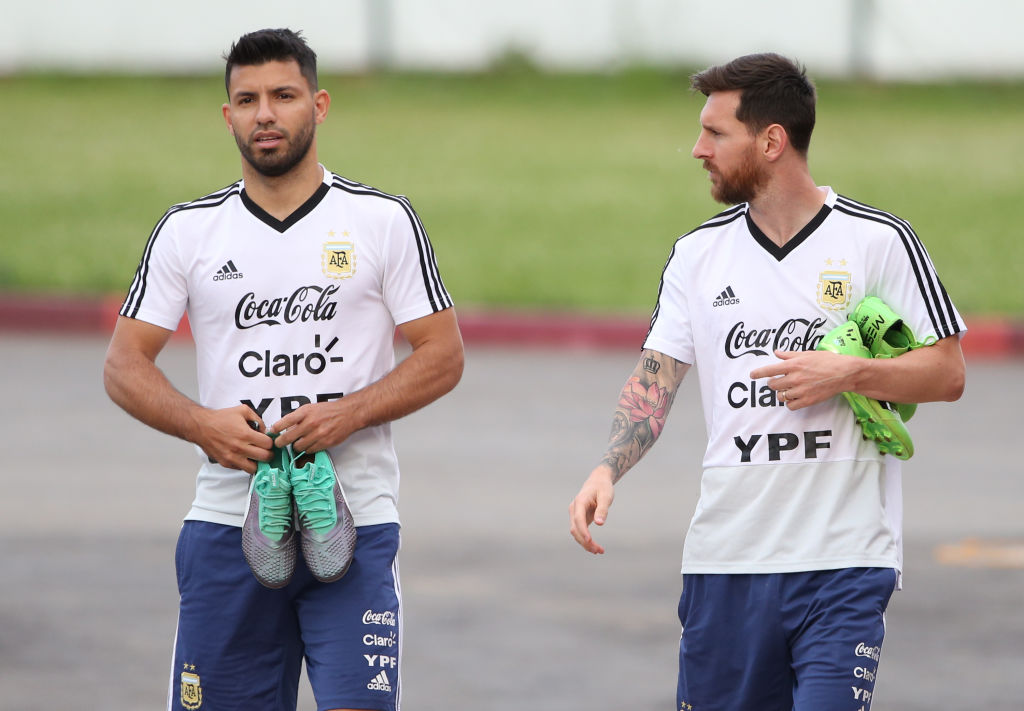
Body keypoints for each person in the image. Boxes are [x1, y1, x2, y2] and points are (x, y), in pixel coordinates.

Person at [568, 53, 966, 711]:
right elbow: (656, 377)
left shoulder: (879, 242)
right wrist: (607, 468)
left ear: (772, 140)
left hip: (844, 561)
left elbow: (948, 372)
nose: (698, 149)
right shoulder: (697, 256)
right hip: (727, 562)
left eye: (716, 133)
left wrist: (852, 372)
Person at [104, 28, 463, 711]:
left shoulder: (381, 220)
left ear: (319, 105)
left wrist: (348, 412)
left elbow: (443, 353)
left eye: (283, 95)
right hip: (226, 522)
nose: (265, 113)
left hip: (352, 519)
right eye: (247, 99)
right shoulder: (188, 230)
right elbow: (123, 365)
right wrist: (201, 424)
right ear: (228, 115)